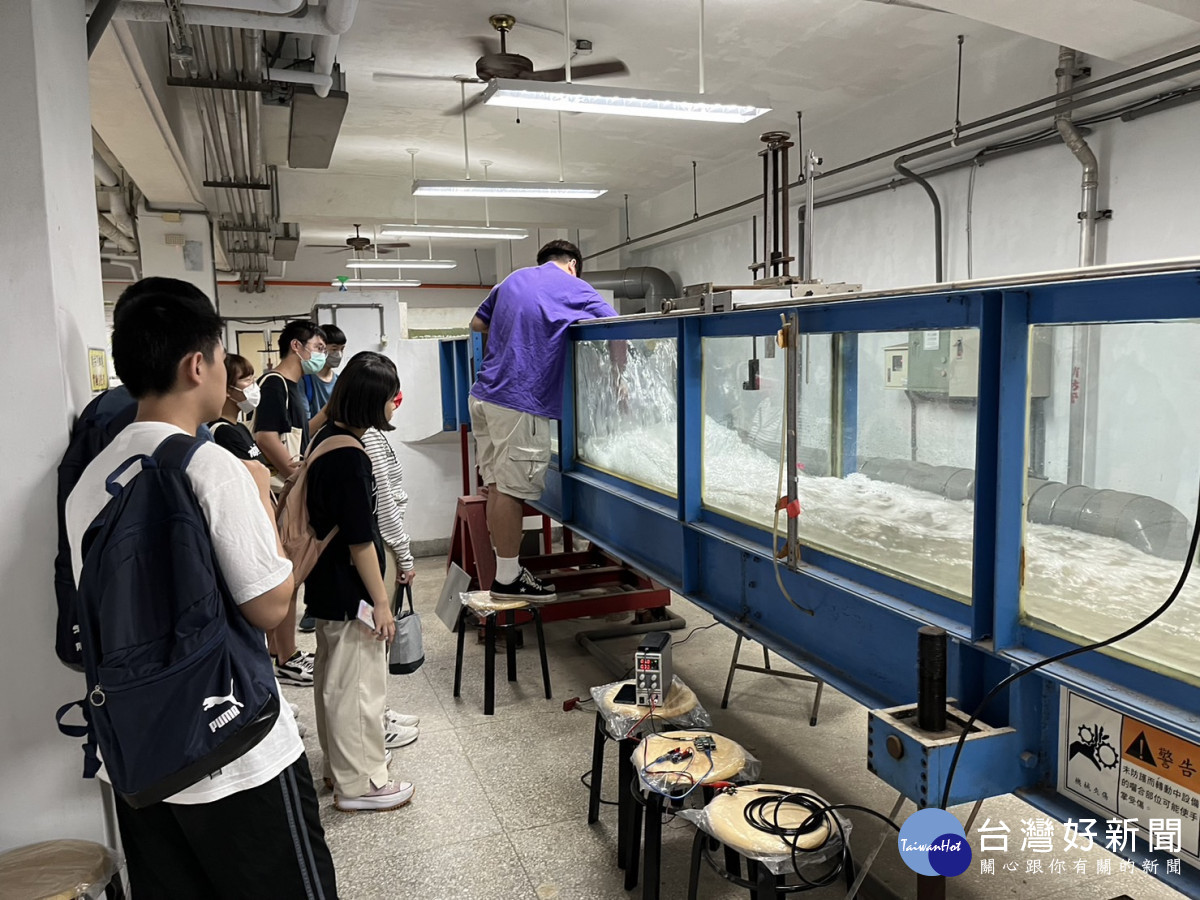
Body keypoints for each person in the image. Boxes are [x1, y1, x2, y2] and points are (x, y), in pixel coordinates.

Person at [65, 277, 337, 897]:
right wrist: (279, 527)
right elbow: (269, 607)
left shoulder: (91, 478)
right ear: (196, 364)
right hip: (237, 749)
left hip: (140, 753)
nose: (228, 377)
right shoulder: (209, 462)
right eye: (221, 360)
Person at [469, 239, 617, 600]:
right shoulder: (575, 286)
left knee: (497, 484)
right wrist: (618, 377)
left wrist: (517, 335)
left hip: (484, 395)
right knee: (512, 491)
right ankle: (507, 579)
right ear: (572, 264)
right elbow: (615, 326)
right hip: (521, 401)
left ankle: (508, 570)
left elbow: (477, 323)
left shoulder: (511, 280)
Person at [303, 351, 414, 812]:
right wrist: (382, 603)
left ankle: (339, 770)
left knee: (335, 679)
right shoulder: (351, 456)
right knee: (359, 687)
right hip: (350, 587)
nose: (396, 404)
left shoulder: (325, 436)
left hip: (327, 584)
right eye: (392, 397)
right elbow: (360, 540)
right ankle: (362, 784)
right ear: (376, 402)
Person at [254, 320, 326, 685]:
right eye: (317, 346)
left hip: (289, 487)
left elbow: (300, 432)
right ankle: (288, 656)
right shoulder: (275, 384)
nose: (322, 353)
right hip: (280, 492)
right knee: (288, 576)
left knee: (290, 574)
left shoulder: (298, 388)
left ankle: (279, 649)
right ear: (296, 346)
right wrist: (293, 474)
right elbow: (265, 436)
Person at [361, 376, 419, 740]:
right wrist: (406, 556)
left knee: (378, 641)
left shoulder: (370, 434)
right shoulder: (368, 439)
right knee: (376, 635)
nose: (396, 403)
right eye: (391, 397)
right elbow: (385, 505)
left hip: (383, 542)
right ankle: (375, 726)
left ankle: (380, 713)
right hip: (382, 544)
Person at [208, 352, 264, 463]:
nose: (254, 386)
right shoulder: (223, 433)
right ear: (227, 389)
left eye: (253, 379)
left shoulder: (240, 428)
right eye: (247, 380)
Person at [305, 323, 346, 436]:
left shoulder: (339, 382)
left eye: (342, 349)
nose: (339, 355)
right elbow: (305, 431)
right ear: (321, 349)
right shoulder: (304, 381)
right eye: (334, 349)